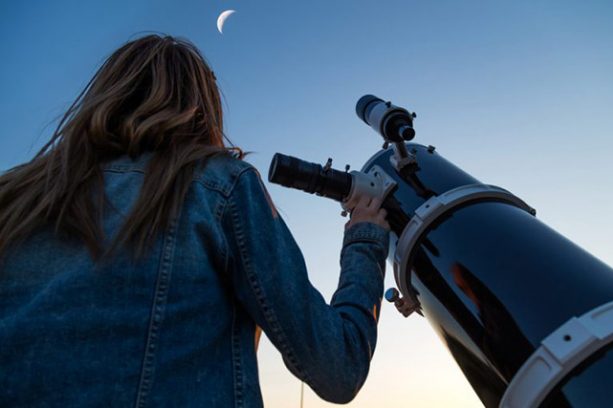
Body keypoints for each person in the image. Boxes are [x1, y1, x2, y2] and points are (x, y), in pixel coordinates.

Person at [0, 35, 390, 407]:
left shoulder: (13, 197)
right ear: (202, 109)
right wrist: (365, 239)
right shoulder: (219, 186)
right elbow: (337, 368)